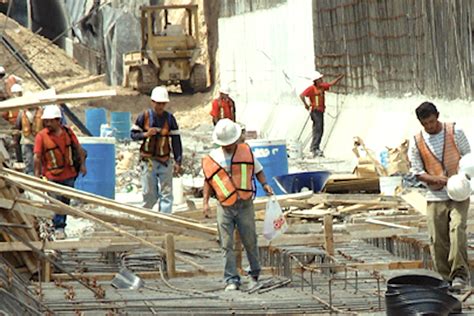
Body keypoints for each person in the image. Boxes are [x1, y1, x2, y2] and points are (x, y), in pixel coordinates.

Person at [202, 119, 273, 291]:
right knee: (226, 243)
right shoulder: (213, 158)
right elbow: (208, 181)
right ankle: (231, 279)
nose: (228, 146)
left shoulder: (246, 152)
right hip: (224, 205)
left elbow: (258, 170)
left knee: (250, 240)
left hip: (244, 203)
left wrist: (265, 184)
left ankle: (254, 274)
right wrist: (205, 202)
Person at [409, 101, 471, 291]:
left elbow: (469, 158)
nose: (430, 126)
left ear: (438, 116)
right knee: (437, 238)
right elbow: (417, 171)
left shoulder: (455, 131)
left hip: (459, 193)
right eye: (425, 124)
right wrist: (438, 180)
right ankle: (444, 277)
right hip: (435, 195)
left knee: (457, 229)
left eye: (432, 122)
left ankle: (459, 274)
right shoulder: (417, 140)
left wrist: (460, 179)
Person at [34, 105, 87, 239]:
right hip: (52, 176)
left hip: (69, 174)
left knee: (65, 202)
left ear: (58, 120)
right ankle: (58, 227)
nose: (48, 124)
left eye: (51, 121)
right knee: (56, 202)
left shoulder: (68, 132)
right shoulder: (42, 136)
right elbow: (37, 157)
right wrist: (36, 175)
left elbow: (79, 149)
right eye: (46, 121)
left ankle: (60, 225)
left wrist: (82, 165)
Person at [130, 86, 182, 213]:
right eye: (158, 103)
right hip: (148, 161)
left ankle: (164, 220)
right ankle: (146, 217)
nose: (160, 107)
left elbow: (176, 141)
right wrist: (145, 134)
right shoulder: (144, 116)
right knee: (149, 194)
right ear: (152, 102)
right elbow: (133, 135)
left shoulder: (170, 119)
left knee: (167, 194)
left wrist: (178, 160)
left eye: (163, 104)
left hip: (164, 161)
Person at [299, 71, 344, 157]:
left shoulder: (322, 87)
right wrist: (306, 105)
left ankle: (314, 147)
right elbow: (302, 95)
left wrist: (338, 79)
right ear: (316, 81)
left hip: (320, 111)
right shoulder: (311, 89)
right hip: (315, 111)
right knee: (318, 129)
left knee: (319, 129)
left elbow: (330, 84)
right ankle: (315, 148)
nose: (321, 80)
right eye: (320, 79)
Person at [16, 104, 44, 175]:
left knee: (31, 166)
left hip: (31, 142)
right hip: (32, 142)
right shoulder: (41, 111)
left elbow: (18, 125)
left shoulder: (22, 112)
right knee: (35, 165)